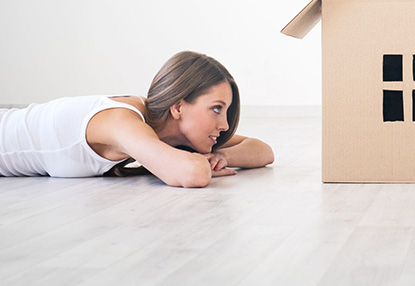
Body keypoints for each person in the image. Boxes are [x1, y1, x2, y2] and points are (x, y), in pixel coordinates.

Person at [0, 51, 274, 187]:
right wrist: (200, 162)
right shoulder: (122, 120)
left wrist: (222, 157)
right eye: (216, 108)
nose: (224, 125)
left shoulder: (172, 131)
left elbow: (263, 151)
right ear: (178, 107)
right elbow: (192, 173)